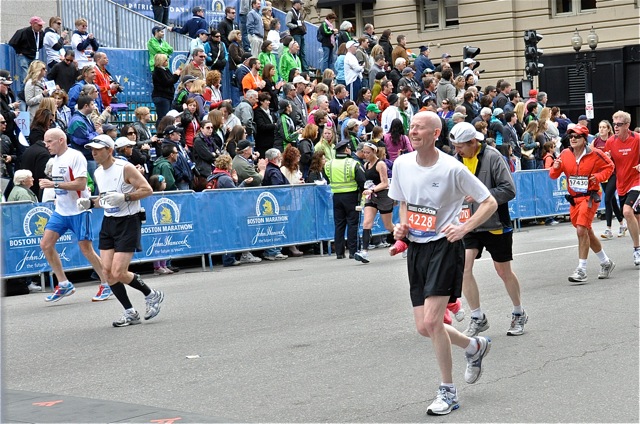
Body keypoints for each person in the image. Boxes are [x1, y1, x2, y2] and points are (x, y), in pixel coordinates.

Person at [388, 111, 497, 416]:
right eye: (412, 127)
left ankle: (447, 391)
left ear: (436, 133)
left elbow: (488, 200)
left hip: (445, 248)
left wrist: (464, 227)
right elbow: (405, 203)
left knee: (434, 322)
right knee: (424, 327)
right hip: (417, 249)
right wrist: (403, 226)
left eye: (420, 128)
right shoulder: (401, 164)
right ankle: (473, 346)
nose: (414, 131)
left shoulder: (452, 168)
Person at [449, 122, 528, 337]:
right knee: (464, 267)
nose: (457, 151)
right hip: (470, 224)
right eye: (454, 146)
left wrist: (481, 196)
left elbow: (508, 189)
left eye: (460, 146)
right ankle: (477, 316)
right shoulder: (456, 161)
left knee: (503, 271)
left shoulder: (493, 157)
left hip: (495, 223)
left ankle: (519, 312)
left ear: (473, 142)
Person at [79, 135, 164, 327]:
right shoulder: (98, 172)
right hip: (109, 223)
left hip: (128, 221)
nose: (93, 152)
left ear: (109, 150)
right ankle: (130, 312)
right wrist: (90, 203)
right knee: (107, 272)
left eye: (97, 149)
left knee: (118, 271)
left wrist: (125, 197)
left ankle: (152, 295)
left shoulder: (125, 168)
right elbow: (104, 199)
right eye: (92, 149)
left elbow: (147, 189)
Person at [39, 129, 111, 302]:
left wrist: (53, 184)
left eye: (49, 142)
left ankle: (107, 283)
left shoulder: (75, 156)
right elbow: (63, 185)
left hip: (79, 209)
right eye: (45, 142)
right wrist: (57, 193)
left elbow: (81, 183)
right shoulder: (55, 159)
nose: (46, 145)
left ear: (61, 140)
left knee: (86, 248)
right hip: (62, 211)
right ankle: (64, 284)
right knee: (46, 244)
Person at [549, 124, 616, 281]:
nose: (572, 139)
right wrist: (555, 167)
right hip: (574, 200)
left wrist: (598, 177)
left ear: (584, 139)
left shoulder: (595, 154)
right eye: (571, 136)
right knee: (586, 231)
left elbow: (610, 166)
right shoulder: (565, 154)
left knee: (581, 230)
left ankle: (581, 270)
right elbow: (553, 175)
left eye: (576, 136)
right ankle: (606, 262)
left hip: (590, 196)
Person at [604, 111, 640, 266]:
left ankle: (636, 249)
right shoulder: (611, 142)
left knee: (627, 211)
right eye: (614, 124)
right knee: (636, 218)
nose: (616, 127)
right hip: (622, 184)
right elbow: (607, 163)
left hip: (637, 182)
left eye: (619, 124)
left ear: (627, 125)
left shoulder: (637, 139)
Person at [353, 142, 394, 264]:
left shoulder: (380, 164)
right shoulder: (366, 165)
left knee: (388, 226)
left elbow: (385, 183)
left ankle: (406, 241)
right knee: (366, 222)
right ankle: (364, 251)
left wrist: (372, 189)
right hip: (371, 197)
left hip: (383, 196)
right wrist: (368, 189)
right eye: (364, 152)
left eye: (368, 152)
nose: (365, 155)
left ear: (374, 152)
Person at [325, 138, 366, 260]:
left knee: (339, 224)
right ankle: (353, 251)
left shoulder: (328, 164)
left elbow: (328, 179)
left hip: (336, 196)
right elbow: (362, 181)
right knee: (353, 224)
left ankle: (339, 253)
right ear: (347, 149)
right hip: (351, 196)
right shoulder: (353, 163)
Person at [592, 120, 625, 239]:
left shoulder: (613, 140)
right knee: (611, 200)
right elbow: (591, 155)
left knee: (607, 199)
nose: (601, 129)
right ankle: (622, 225)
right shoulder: (596, 141)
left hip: (614, 173)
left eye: (604, 127)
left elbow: (620, 155)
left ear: (608, 129)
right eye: (600, 127)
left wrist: (611, 157)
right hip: (603, 174)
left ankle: (608, 229)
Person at [8, 16, 45, 82]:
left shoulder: (41, 33)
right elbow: (12, 42)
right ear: (33, 24)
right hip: (24, 56)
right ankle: (24, 89)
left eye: (42, 25)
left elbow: (40, 45)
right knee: (25, 74)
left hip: (34, 56)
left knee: (35, 73)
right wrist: (19, 51)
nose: (41, 27)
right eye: (39, 25)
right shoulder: (22, 32)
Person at [152, 54, 181, 121]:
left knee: (167, 116)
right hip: (162, 96)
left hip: (167, 96)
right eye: (165, 60)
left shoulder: (165, 70)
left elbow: (172, 80)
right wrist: (176, 75)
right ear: (161, 61)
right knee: (163, 117)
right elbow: (167, 82)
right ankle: (161, 130)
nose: (167, 62)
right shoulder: (158, 71)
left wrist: (177, 74)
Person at [286, 0, 308, 72]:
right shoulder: (290, 13)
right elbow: (287, 23)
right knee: (297, 51)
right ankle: (298, 68)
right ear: (296, 4)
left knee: (303, 52)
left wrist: (304, 28)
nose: (301, 6)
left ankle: (305, 69)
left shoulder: (299, 13)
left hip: (301, 34)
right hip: (295, 34)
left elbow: (302, 22)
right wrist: (295, 26)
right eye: (300, 4)